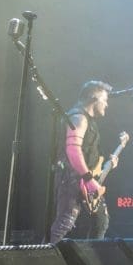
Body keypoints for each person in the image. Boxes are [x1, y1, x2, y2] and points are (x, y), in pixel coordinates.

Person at [50, 80, 116, 243]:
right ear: (94, 97)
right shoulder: (78, 117)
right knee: (64, 224)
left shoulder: (87, 120)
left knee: (101, 222)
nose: (106, 105)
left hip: (85, 180)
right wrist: (88, 178)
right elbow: (73, 149)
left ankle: (92, 258)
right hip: (73, 180)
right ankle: (46, 260)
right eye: (104, 100)